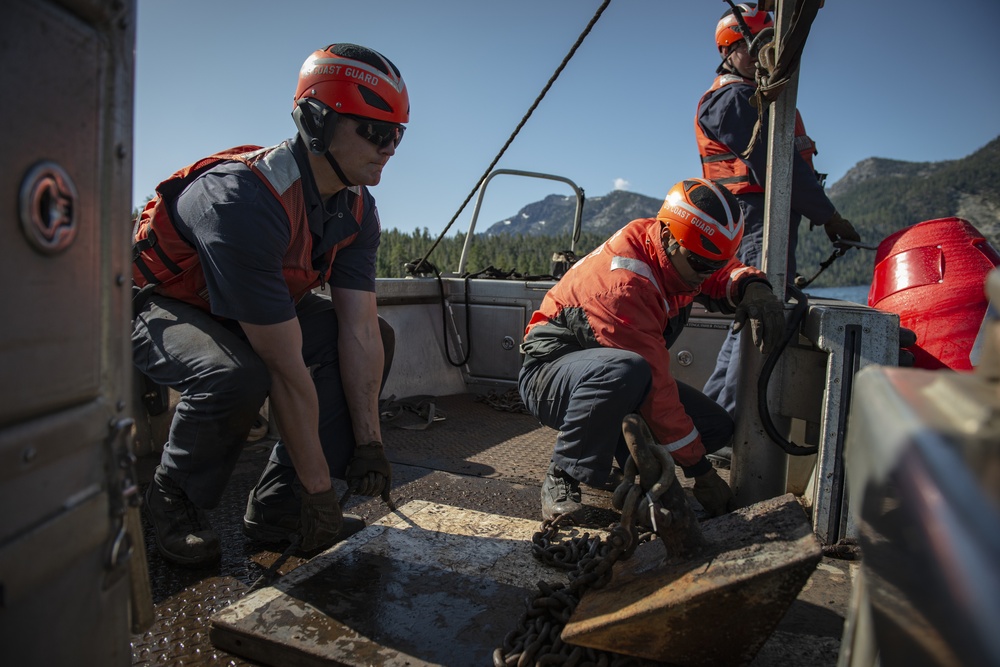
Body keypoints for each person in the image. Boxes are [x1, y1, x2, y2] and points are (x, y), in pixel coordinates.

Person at [131, 43, 408, 567]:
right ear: (317, 122)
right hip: (162, 305)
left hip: (250, 309)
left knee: (379, 336)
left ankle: (279, 507)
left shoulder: (355, 209)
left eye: (397, 133)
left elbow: (360, 334)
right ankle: (174, 504)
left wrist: (370, 443)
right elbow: (283, 368)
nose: (389, 146)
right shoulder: (243, 198)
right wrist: (323, 490)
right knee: (234, 374)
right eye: (375, 130)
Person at [518, 178, 786, 520]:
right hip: (550, 379)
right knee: (623, 371)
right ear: (672, 241)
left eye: (714, 265)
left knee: (715, 428)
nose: (706, 277)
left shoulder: (673, 251)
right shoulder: (622, 286)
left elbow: (720, 272)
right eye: (701, 265)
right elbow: (657, 392)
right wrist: (700, 472)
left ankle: (623, 467)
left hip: (618, 377)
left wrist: (752, 286)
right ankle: (564, 474)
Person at [696, 3, 861, 421]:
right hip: (753, 223)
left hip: (767, 220)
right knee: (760, 314)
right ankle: (726, 423)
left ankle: (716, 421)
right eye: (755, 47)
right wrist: (827, 215)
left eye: (770, 46)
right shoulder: (731, 100)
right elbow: (776, 162)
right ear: (730, 49)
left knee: (753, 321)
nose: (763, 56)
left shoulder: (759, 99)